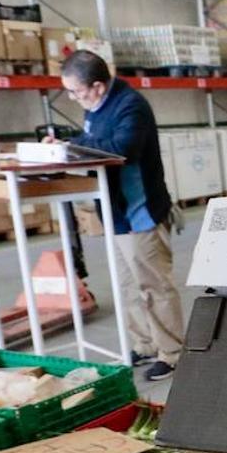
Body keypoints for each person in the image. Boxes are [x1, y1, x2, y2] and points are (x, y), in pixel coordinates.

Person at [51, 50, 183, 382]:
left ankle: (173, 351)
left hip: (141, 213)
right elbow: (93, 141)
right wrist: (69, 144)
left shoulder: (130, 105)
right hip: (117, 214)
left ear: (96, 86)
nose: (73, 98)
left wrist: (77, 145)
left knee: (154, 286)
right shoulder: (95, 107)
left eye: (75, 92)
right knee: (128, 286)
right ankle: (146, 344)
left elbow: (122, 148)